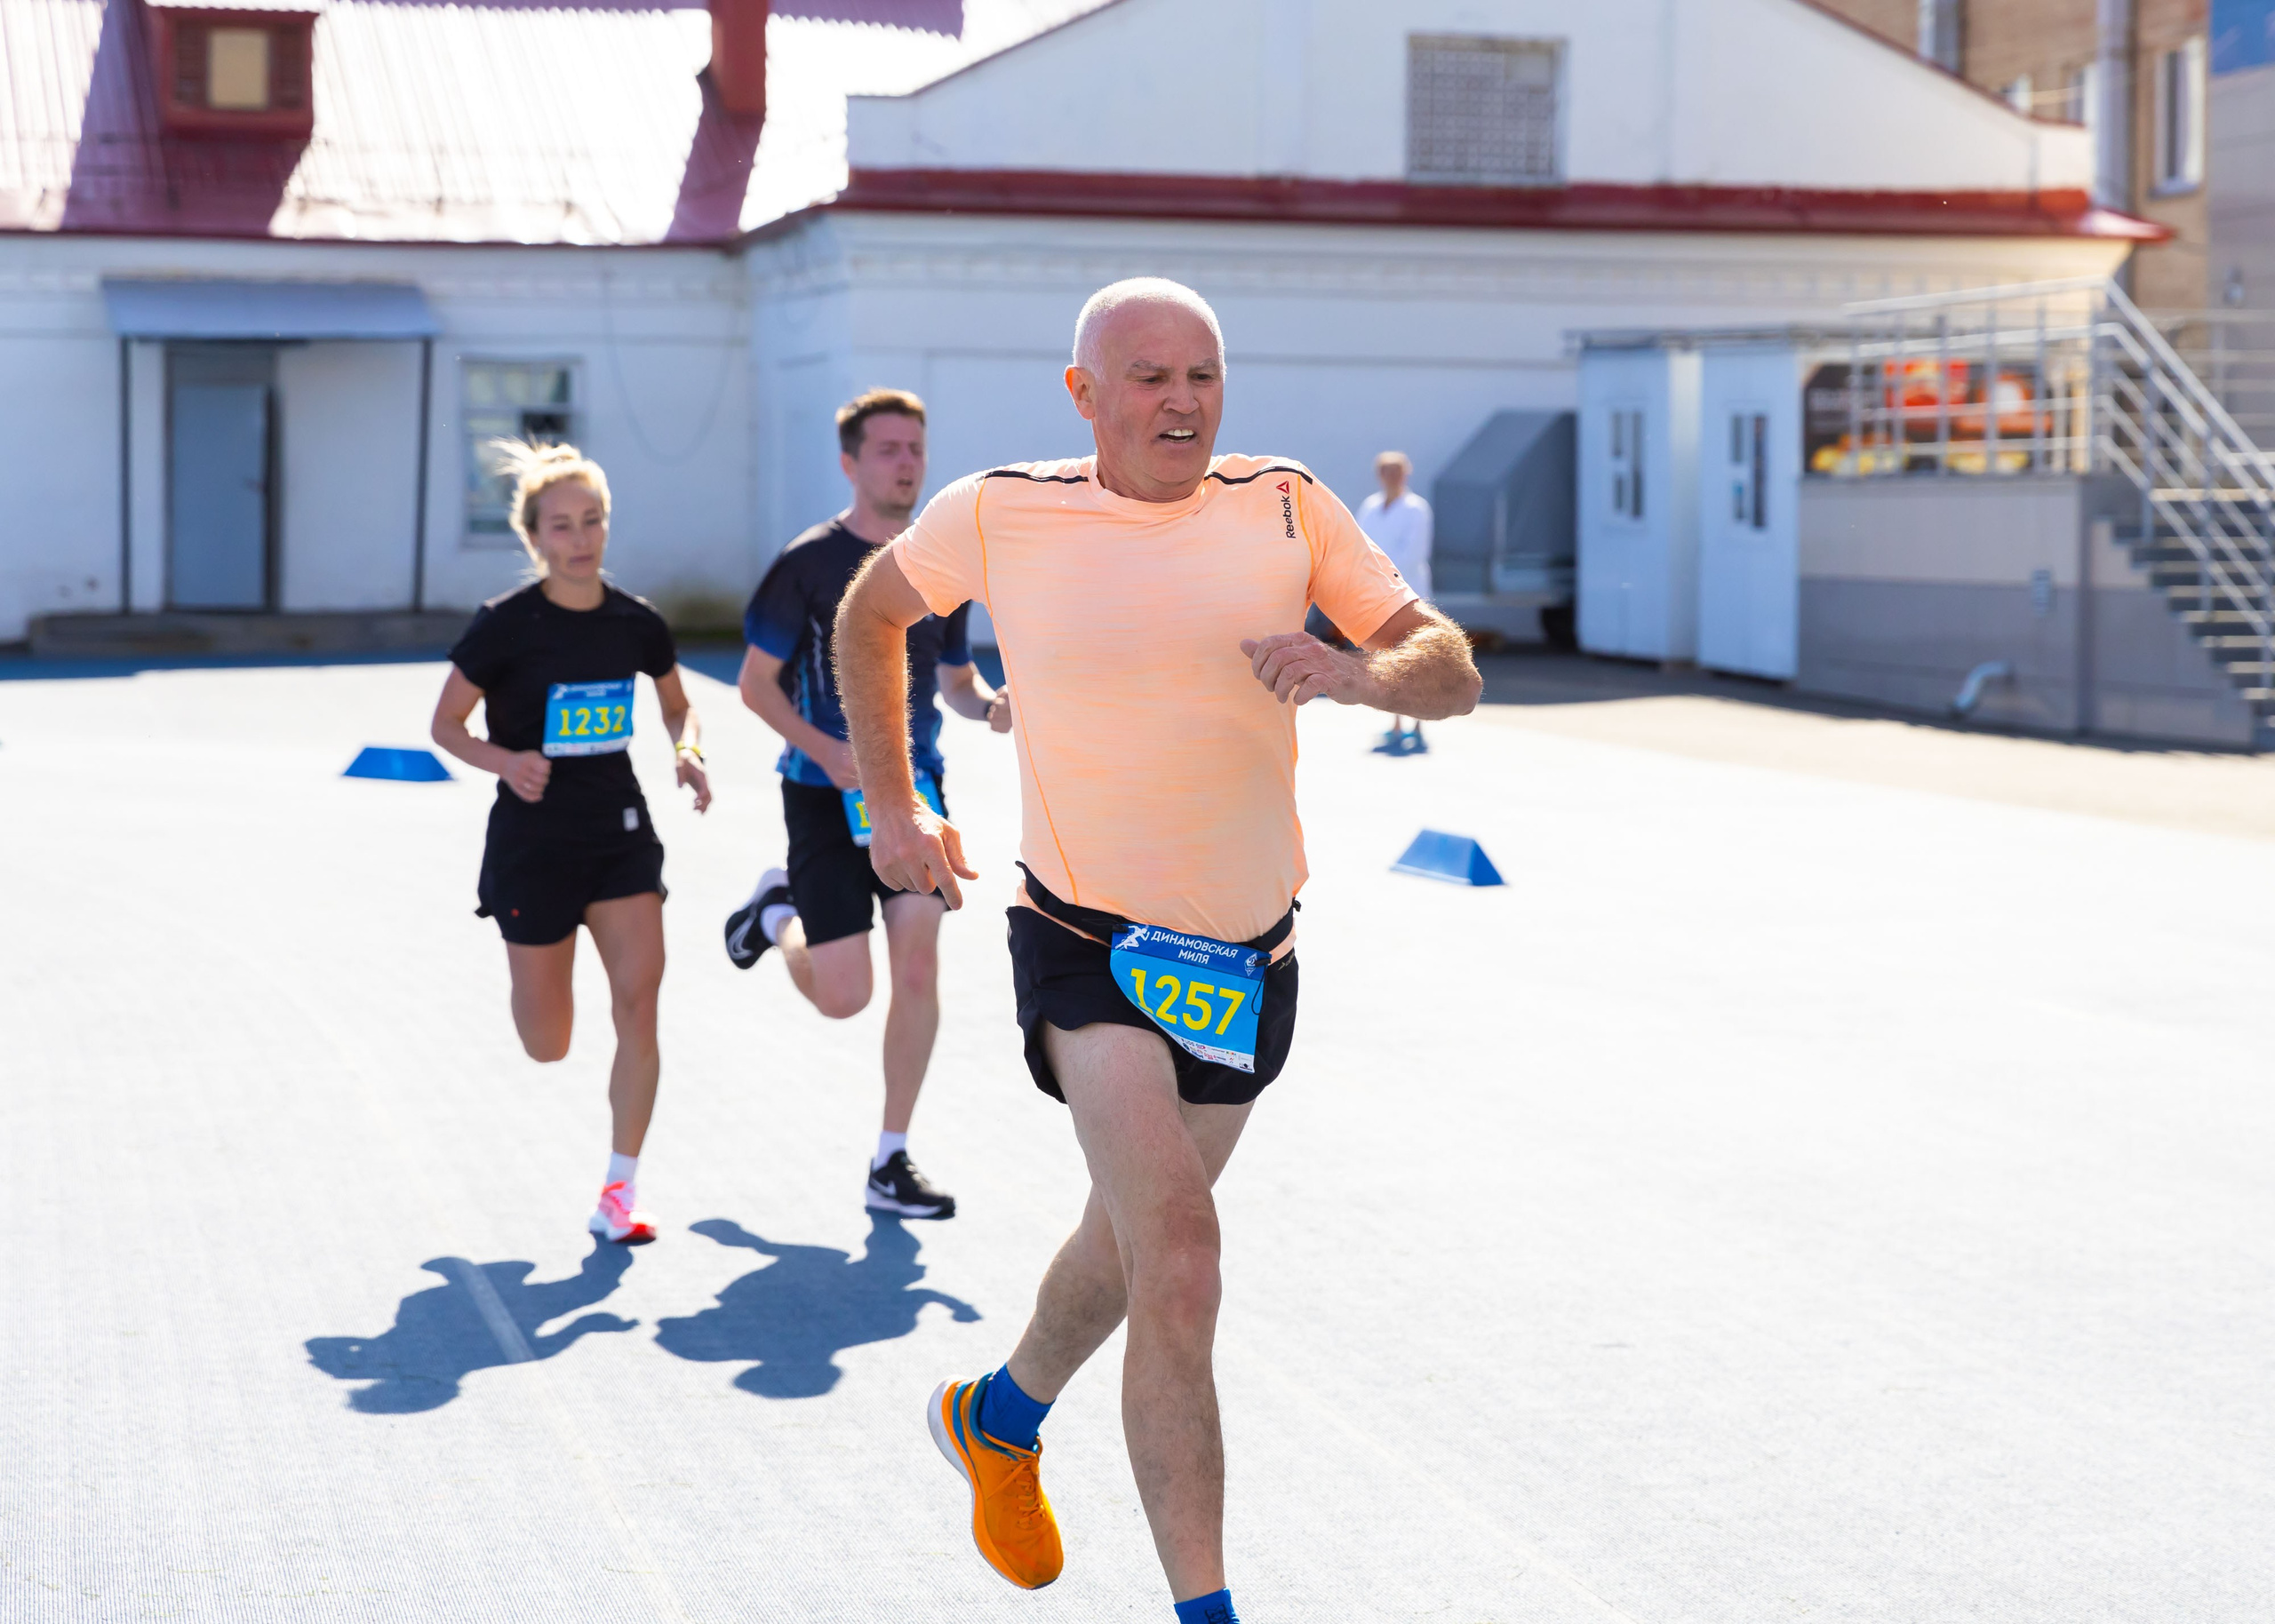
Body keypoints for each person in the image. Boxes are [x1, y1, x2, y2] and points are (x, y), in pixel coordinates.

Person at [833, 280, 1481, 1620]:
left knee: (1131, 1252)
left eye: (1203, 374)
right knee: (1183, 1254)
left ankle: (999, 1416)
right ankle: (1208, 1609)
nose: (1182, 401)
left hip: (1249, 958)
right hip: (1085, 939)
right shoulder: (1000, 510)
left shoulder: (1290, 504)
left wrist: (1365, 673)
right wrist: (890, 804)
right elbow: (870, 615)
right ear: (1084, 395)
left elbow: (1450, 666)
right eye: (1149, 378)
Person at [722, 389, 1011, 1221]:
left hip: (917, 795)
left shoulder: (941, 566)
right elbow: (754, 685)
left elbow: (956, 684)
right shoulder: (808, 564)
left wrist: (991, 706)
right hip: (822, 794)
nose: (906, 462)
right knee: (844, 995)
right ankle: (778, 913)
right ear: (850, 463)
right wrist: (831, 753)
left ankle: (892, 1159)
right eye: (886, 449)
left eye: (915, 447)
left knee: (918, 964)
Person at [430, 441, 712, 1246]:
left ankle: (618, 1191)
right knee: (547, 1043)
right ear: (535, 539)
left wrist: (688, 754)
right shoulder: (504, 628)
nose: (581, 538)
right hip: (532, 846)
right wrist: (504, 759)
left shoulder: (637, 622)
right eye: (563, 525)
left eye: (593, 521)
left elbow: (677, 706)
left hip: (618, 834)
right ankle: (539, 990)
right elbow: (444, 724)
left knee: (639, 1004)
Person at [1356, 450, 1436, 753]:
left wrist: (1377, 573)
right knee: (1389, 661)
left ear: (1406, 474)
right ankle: (1396, 721)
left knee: (1417, 660)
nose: (1392, 477)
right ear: (1380, 475)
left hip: (1411, 595)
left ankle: (1418, 721)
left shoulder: (1417, 509)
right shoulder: (1370, 508)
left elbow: (1413, 554)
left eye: (1398, 472)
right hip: (1379, 598)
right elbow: (1359, 546)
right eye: (1387, 472)